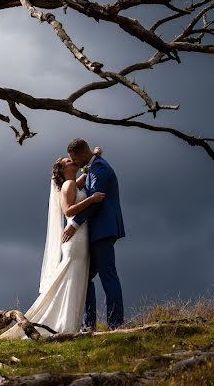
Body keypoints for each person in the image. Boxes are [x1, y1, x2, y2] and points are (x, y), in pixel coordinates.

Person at [0, 148, 105, 338]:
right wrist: (91, 200)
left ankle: (72, 323)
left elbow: (86, 175)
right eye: (68, 162)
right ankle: (65, 324)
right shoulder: (68, 185)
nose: (72, 161)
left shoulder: (73, 183)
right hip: (76, 240)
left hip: (80, 237)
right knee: (73, 280)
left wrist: (95, 156)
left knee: (77, 281)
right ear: (63, 170)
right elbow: (69, 211)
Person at [62, 138, 125, 330]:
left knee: (108, 275)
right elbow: (85, 177)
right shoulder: (93, 166)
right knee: (86, 277)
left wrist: (75, 223)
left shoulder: (100, 169)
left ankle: (115, 323)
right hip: (95, 231)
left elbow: (96, 201)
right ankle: (88, 325)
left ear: (81, 154)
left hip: (103, 230)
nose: (74, 162)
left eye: (74, 158)